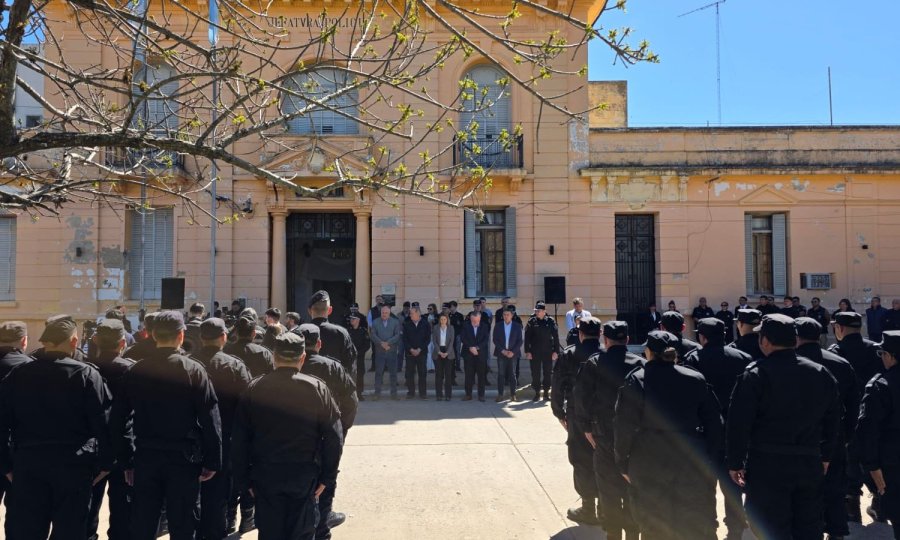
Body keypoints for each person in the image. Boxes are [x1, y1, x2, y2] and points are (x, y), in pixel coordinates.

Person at [110, 310, 222, 540]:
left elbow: (119, 419)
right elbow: (210, 418)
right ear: (181, 335)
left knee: (143, 522)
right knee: (183, 524)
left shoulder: (136, 370)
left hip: (145, 457)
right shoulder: (194, 370)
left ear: (151, 335)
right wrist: (213, 460)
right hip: (184, 459)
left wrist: (126, 459)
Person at [727, 314, 840, 540]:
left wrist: (735, 462)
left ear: (765, 341)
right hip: (808, 462)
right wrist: (826, 455)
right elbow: (834, 418)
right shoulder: (820, 372)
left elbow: (739, 422)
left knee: (770, 526)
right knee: (808, 526)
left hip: (767, 464)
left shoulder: (756, 373)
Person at [0, 315, 110, 540]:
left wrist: (7, 466)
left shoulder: (19, 374)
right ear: (73, 341)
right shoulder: (87, 375)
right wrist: (104, 465)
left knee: (26, 531)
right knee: (70, 531)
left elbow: (2, 423)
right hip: (73, 466)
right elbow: (104, 424)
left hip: (29, 464)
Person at [231, 332, 343, 540]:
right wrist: (328, 477)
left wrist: (244, 481)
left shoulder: (254, 388)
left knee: (270, 533)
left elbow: (239, 441)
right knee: (302, 533)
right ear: (302, 358)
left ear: (274, 356)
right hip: (304, 475)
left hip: (266, 476)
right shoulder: (318, 388)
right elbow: (334, 438)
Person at [614, 330, 723, 540]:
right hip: (691, 457)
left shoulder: (637, 380)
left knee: (653, 524)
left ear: (649, 352)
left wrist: (622, 462)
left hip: (649, 457)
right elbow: (715, 423)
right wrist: (710, 459)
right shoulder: (695, 378)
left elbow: (623, 425)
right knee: (693, 521)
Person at [683, 318, 753, 540]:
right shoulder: (744, 359)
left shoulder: (693, 359)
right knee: (733, 485)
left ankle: (708, 530)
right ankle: (734, 530)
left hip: (704, 432)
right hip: (736, 431)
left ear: (702, 337)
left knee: (704, 485)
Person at [574, 321, 643, 540]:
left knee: (608, 490)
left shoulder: (595, 363)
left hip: (603, 435)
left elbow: (581, 398)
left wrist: (586, 428)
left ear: (605, 340)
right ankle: (633, 534)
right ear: (628, 340)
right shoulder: (640, 364)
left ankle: (613, 534)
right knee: (633, 488)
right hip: (635, 438)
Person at [795, 317, 860, 539]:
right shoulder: (840, 363)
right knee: (834, 491)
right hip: (835, 439)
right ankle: (836, 533)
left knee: (803, 494)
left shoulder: (792, 363)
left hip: (800, 441)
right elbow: (853, 406)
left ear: (795, 337)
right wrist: (846, 436)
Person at [191, 318, 253, 540]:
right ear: (224, 338)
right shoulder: (234, 365)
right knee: (218, 499)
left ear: (201, 338)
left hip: (191, 442)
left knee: (189, 500)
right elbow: (248, 406)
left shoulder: (188, 363)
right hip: (225, 441)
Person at [296, 324, 357, 539]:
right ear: (319, 344)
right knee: (326, 479)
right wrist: (340, 430)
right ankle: (322, 527)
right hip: (327, 436)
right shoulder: (333, 367)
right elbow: (351, 402)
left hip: (296, 438)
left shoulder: (290, 366)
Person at [829, 310, 885, 522]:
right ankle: (880, 501)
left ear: (840, 329)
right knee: (873, 458)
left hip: (846, 415)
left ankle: (852, 506)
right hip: (874, 414)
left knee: (849, 461)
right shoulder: (876, 349)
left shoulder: (835, 352)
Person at [86, 320, 136, 540]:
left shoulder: (85, 369)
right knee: (123, 512)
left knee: (88, 508)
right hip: (124, 447)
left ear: (95, 341)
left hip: (92, 448)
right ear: (123, 343)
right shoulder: (131, 370)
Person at [552, 317, 604, 525]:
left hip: (577, 414)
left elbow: (557, 386)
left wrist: (559, 412)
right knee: (604, 459)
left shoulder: (569, 354)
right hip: (604, 415)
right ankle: (604, 507)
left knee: (581, 460)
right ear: (599, 333)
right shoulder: (606, 353)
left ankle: (588, 508)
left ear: (580, 334)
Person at [856, 330, 900, 539]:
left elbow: (868, 431)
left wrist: (872, 467)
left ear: (890, 356)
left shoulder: (880, 386)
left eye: (882, 353)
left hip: (893, 466)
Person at [308, 291, 357, 379]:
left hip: (306, 388)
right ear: (330, 310)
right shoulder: (341, 333)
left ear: (309, 310)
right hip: (335, 388)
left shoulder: (299, 332)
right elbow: (350, 367)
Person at [524, 301, 560, 401]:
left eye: (538, 311)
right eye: (536, 311)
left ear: (544, 311)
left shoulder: (550, 321)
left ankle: (546, 392)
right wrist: (527, 351)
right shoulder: (532, 321)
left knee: (547, 373)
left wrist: (556, 351)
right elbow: (527, 337)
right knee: (535, 373)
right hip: (535, 352)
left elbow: (555, 337)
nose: (537, 312)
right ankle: (536, 392)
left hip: (548, 351)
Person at [370, 305, 401, 400]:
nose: (384, 314)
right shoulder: (375, 322)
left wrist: (388, 343)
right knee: (378, 373)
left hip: (391, 351)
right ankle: (377, 394)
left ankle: (394, 394)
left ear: (389, 313)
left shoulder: (395, 322)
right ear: (381, 313)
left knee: (393, 373)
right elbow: (373, 335)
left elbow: (397, 335)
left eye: (386, 313)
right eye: (383, 312)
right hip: (380, 352)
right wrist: (381, 343)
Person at [492, 306, 522, 402]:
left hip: (513, 354)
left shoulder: (517, 326)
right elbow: (495, 340)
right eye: (504, 315)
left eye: (508, 315)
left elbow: (520, 341)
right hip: (501, 353)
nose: (506, 316)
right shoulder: (498, 325)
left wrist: (512, 352)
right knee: (501, 374)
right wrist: (503, 350)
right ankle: (500, 394)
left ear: (512, 316)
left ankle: (513, 395)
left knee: (512, 374)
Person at [402, 306, 432, 399]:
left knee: (422, 373)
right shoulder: (407, 324)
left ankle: (423, 393)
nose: (410, 315)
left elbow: (427, 339)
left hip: (422, 353)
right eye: (410, 313)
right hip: (410, 353)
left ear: (418, 313)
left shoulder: (425, 324)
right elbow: (405, 339)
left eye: (412, 313)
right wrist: (411, 349)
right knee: (410, 373)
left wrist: (419, 349)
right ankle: (411, 392)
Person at [460, 311, 490, 401]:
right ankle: (468, 394)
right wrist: (470, 347)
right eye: (473, 321)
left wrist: (477, 348)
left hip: (481, 354)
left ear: (480, 319)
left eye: (477, 321)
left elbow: (486, 339)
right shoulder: (466, 325)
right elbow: (463, 338)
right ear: (470, 319)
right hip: (468, 354)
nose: (475, 323)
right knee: (468, 376)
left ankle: (481, 395)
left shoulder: (484, 326)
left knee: (481, 375)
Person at [346, 313, 370, 400]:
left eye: (354, 319)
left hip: (359, 357)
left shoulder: (363, 331)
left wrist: (359, 353)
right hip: (350, 357)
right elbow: (345, 344)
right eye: (351, 318)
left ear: (358, 320)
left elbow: (367, 344)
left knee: (360, 375)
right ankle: (350, 394)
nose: (351, 320)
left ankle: (359, 393)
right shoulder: (347, 331)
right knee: (349, 375)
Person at [432, 313, 456, 401]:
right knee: (439, 375)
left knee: (448, 375)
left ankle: (448, 395)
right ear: (439, 320)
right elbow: (434, 341)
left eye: (444, 319)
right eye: (441, 319)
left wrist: (446, 353)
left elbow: (452, 341)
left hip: (448, 353)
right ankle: (439, 394)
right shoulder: (435, 328)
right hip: (438, 352)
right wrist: (439, 351)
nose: (443, 321)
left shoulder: (451, 328)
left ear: (447, 320)